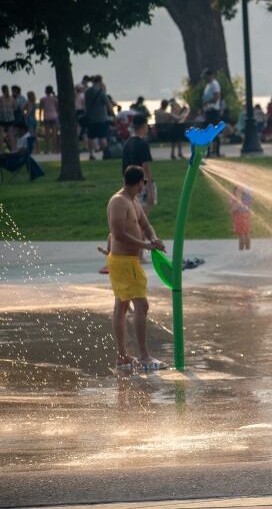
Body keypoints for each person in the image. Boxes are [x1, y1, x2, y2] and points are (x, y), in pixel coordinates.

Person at [106, 165, 166, 370]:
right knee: (140, 306)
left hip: (130, 262)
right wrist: (146, 246)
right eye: (144, 183)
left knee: (123, 306)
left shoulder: (133, 202)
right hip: (122, 262)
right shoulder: (118, 202)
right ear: (139, 182)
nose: (144, 186)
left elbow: (146, 225)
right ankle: (143, 356)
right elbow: (118, 233)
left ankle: (123, 356)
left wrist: (154, 239)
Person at [122, 114, 156, 216]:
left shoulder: (127, 144)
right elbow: (145, 168)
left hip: (129, 184)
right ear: (144, 126)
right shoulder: (143, 144)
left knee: (132, 215)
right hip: (141, 184)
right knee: (142, 218)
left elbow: (124, 167)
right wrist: (150, 190)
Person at [84, 75, 111, 160]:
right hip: (101, 118)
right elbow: (108, 104)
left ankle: (91, 154)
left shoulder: (87, 92)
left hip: (90, 118)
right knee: (103, 136)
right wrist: (113, 115)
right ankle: (105, 153)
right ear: (100, 81)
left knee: (91, 137)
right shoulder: (101, 92)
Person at [201, 69, 222, 156]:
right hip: (208, 111)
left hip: (213, 111)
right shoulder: (208, 85)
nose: (205, 78)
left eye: (206, 76)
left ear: (210, 75)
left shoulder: (214, 84)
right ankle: (209, 151)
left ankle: (216, 151)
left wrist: (207, 102)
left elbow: (216, 97)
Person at [230, 185, 252, 250]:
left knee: (241, 234)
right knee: (246, 233)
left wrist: (232, 210)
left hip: (240, 214)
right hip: (247, 213)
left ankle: (241, 252)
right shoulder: (248, 191)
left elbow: (238, 203)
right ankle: (247, 251)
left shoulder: (239, 189)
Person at [39, 86, 59, 154]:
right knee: (54, 134)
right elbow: (57, 108)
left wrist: (40, 119)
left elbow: (40, 110)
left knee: (47, 134)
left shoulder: (43, 99)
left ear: (46, 91)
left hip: (46, 116)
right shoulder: (54, 99)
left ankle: (47, 149)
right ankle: (54, 149)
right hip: (54, 116)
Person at [0, 85, 16, 151]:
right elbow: (15, 108)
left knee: (2, 134)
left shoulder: (1, 99)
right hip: (10, 118)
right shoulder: (12, 99)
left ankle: (1, 150)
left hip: (3, 118)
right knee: (11, 134)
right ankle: (13, 149)